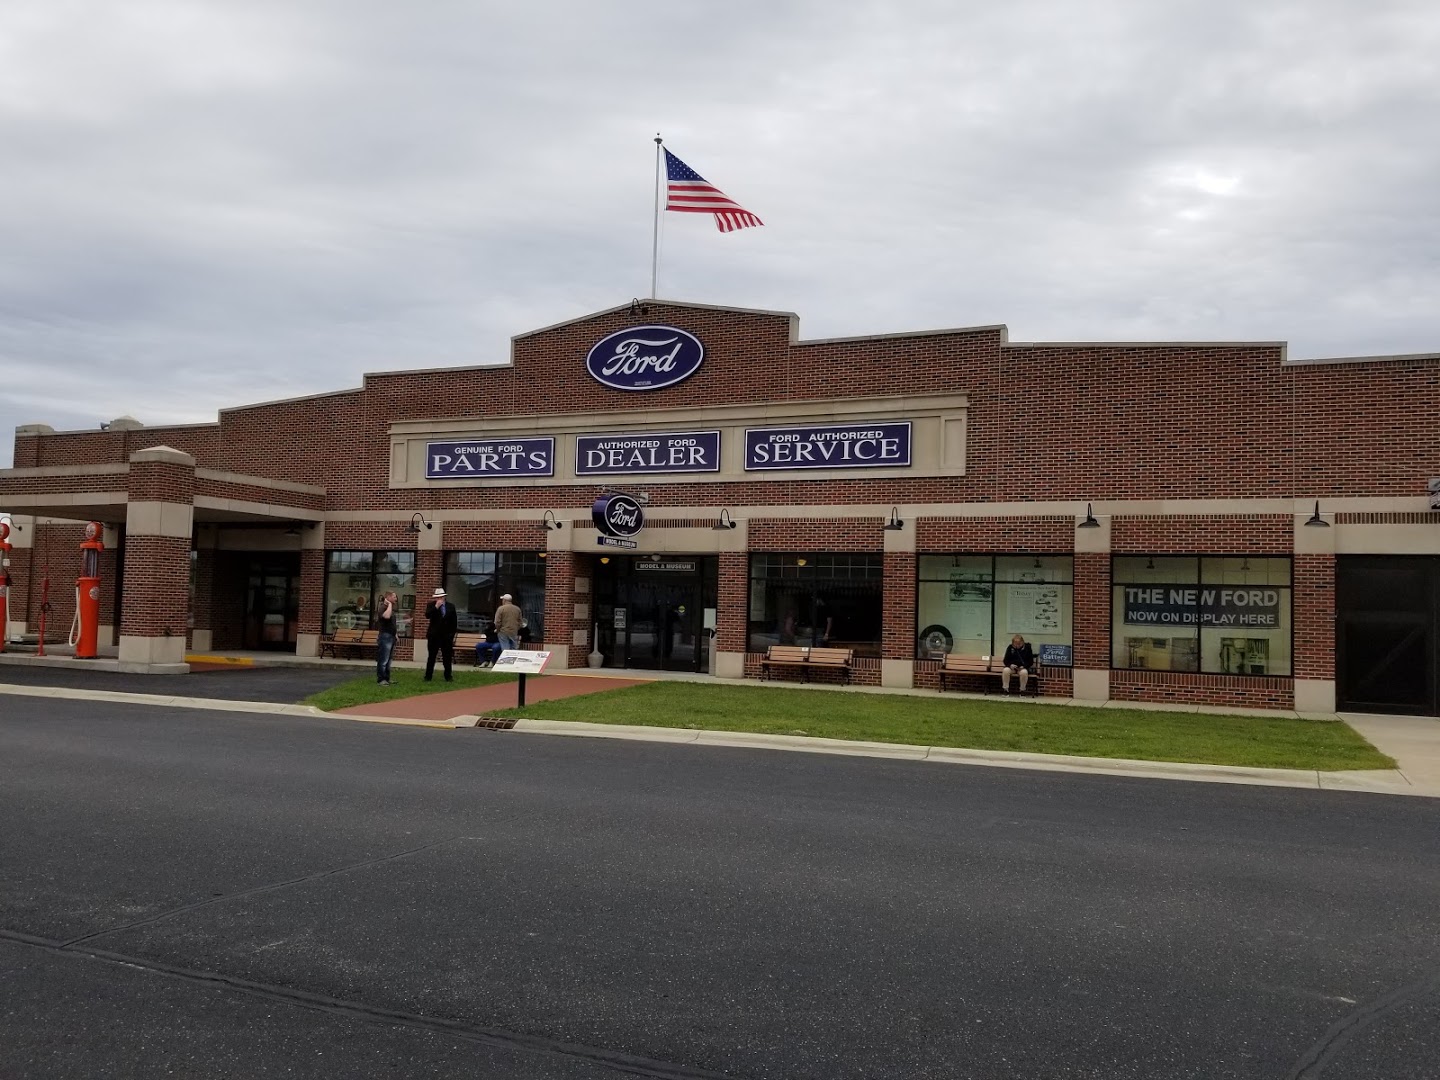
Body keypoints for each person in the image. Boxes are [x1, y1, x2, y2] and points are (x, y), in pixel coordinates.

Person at [423, 587, 458, 681]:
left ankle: (448, 676)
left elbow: (454, 622)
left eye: (441, 597)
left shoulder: (451, 606)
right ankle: (428, 676)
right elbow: (427, 615)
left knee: (447, 657)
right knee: (432, 656)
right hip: (434, 636)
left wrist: (451, 635)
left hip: (446, 636)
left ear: (444, 597)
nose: (439, 599)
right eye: (437, 597)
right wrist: (436, 607)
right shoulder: (431, 605)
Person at [375, 591, 398, 685]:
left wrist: (395, 634)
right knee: (383, 659)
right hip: (385, 636)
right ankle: (381, 679)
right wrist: (389, 605)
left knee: (389, 660)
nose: (396, 599)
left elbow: (392, 623)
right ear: (388, 597)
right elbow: (387, 616)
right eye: (394, 597)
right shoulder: (382, 608)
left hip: (391, 636)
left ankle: (387, 678)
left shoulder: (390, 608)